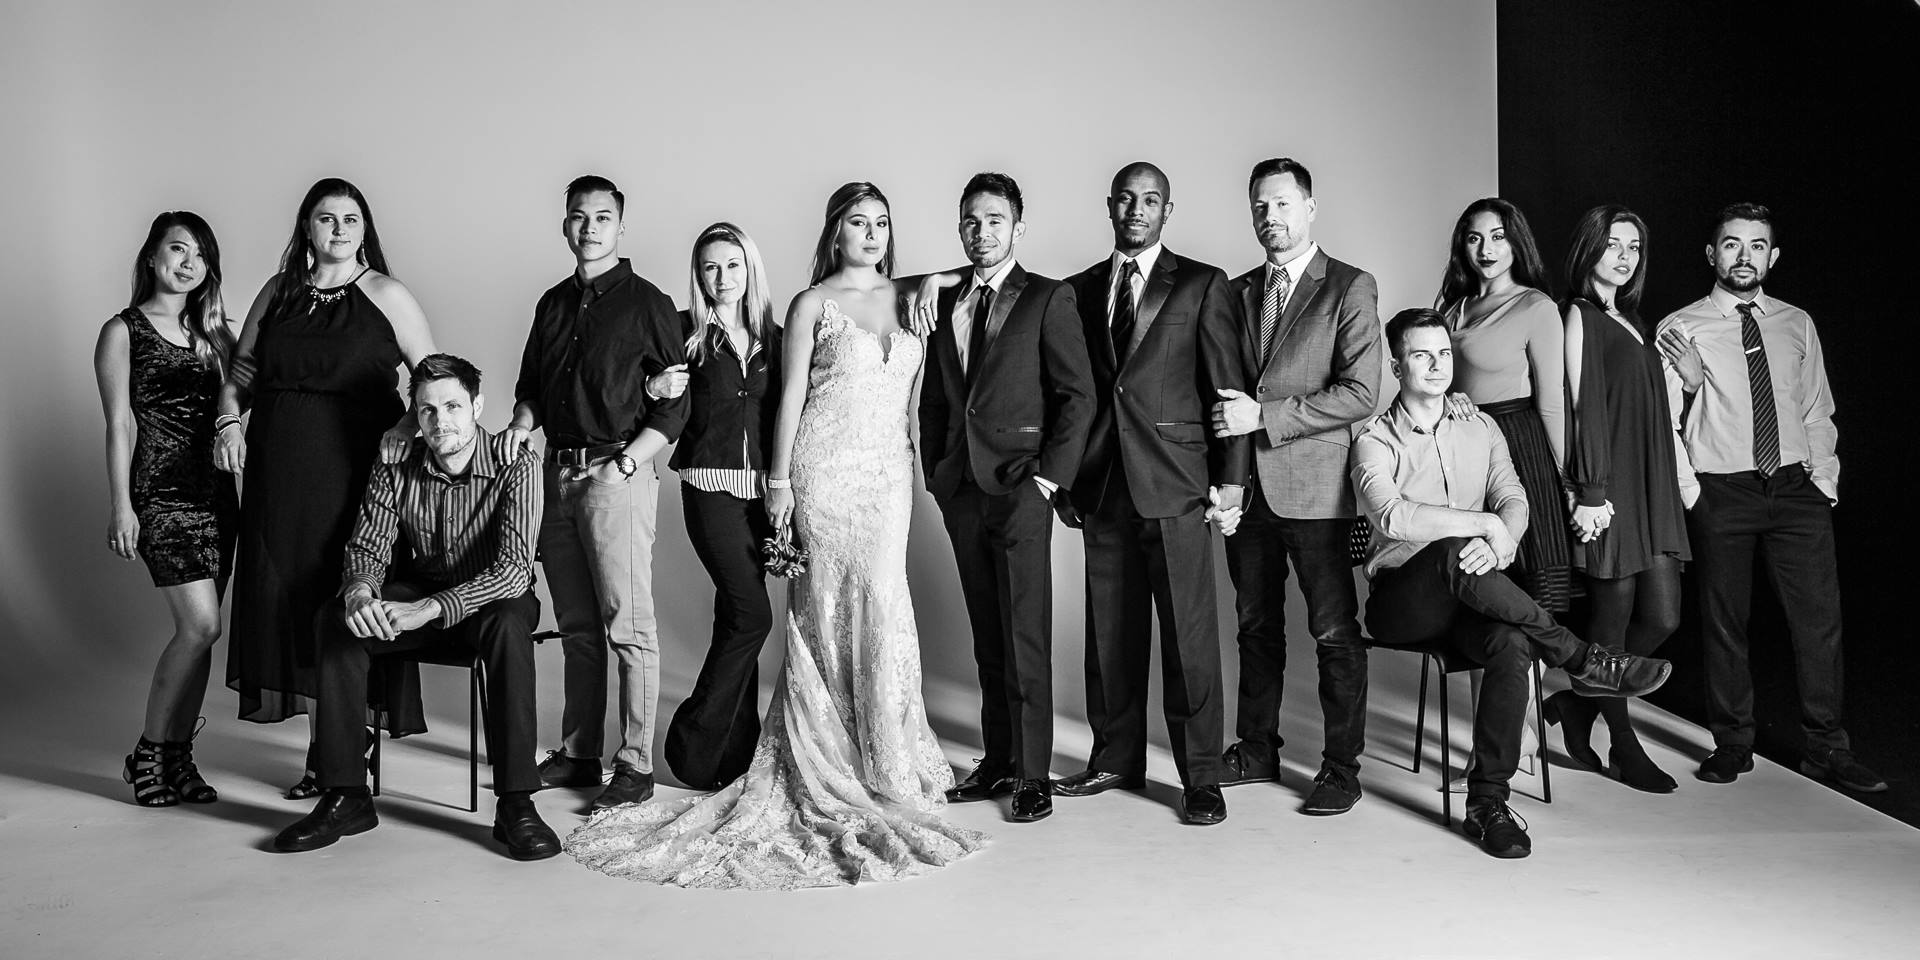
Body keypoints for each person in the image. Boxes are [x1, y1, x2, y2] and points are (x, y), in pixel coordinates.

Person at [563, 182, 985, 888]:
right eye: (858, 222)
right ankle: (747, 747)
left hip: (885, 476)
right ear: (835, 231)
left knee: (877, 604)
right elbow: (788, 399)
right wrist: (780, 480)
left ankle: (873, 751)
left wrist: (941, 278)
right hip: (801, 474)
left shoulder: (906, 295)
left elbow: (986, 266)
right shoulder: (796, 307)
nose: (872, 234)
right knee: (791, 611)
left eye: (882, 223)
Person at [1352, 308, 1675, 858]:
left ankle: (1488, 802)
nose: (1437, 365)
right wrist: (1483, 526)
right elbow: (1393, 517)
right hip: (1403, 603)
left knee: (1512, 643)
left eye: (1444, 353)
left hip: (1472, 600)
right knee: (1451, 550)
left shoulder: (1480, 426)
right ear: (1396, 366)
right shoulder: (1374, 439)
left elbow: (1514, 497)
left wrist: (1505, 539)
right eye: (1421, 355)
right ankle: (1581, 657)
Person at [273, 354, 560, 860]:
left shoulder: (516, 462)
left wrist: (427, 609)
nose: (440, 420)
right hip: (422, 593)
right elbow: (368, 547)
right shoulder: (396, 463)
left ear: (477, 406)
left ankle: (517, 803)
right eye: (427, 410)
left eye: (453, 406)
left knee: (509, 623)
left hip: (491, 600)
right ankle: (346, 794)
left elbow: (514, 570)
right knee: (337, 620)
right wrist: (361, 591)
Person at [217, 178, 437, 797]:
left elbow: (434, 381)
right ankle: (330, 748)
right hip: (277, 478)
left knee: (337, 599)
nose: (338, 229)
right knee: (292, 604)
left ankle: (338, 748)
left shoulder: (387, 294)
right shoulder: (279, 291)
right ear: (306, 229)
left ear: (364, 229)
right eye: (325, 218)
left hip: (354, 476)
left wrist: (405, 426)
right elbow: (242, 372)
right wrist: (228, 421)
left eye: (349, 219)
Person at [1655, 203, 1885, 793]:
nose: (1744, 256)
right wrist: (1692, 492)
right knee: (1725, 621)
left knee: (1819, 621)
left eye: (1756, 246)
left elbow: (1816, 407)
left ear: (1772, 257)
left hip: (1794, 488)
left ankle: (1826, 747)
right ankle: (1733, 742)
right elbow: (1665, 422)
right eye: (1732, 244)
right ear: (1712, 254)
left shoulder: (1796, 323)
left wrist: (1822, 480)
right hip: (1722, 489)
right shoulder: (1681, 326)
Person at [1053, 162, 1250, 826]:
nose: (1137, 209)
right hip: (1102, 484)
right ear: (1109, 206)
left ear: (1168, 210)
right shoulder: (1078, 290)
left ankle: (1202, 777)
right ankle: (1115, 757)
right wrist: (1065, 477)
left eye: (1151, 199)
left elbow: (1227, 389)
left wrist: (1232, 481)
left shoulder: (1200, 284)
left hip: (1179, 484)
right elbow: (1073, 393)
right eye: (1126, 199)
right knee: (1109, 632)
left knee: (1189, 638)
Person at [918, 173, 1095, 823]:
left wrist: (1048, 480)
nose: (981, 231)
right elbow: (936, 399)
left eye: (995, 220)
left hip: (1022, 487)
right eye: (971, 220)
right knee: (987, 633)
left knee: (1025, 634)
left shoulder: (1049, 297)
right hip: (961, 488)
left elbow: (1077, 396)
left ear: (1018, 227)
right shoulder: (943, 301)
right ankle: (997, 761)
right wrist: (937, 475)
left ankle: (1032, 775)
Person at [508, 175, 689, 809]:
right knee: (577, 626)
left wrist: (628, 465)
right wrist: (522, 427)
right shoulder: (552, 304)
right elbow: (530, 389)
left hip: (616, 474)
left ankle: (635, 765)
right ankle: (580, 754)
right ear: (566, 225)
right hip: (554, 477)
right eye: (579, 217)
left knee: (627, 625)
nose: (590, 228)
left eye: (602, 217)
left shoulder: (649, 303)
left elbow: (675, 403)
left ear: (620, 226)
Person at [1209, 157, 1380, 815]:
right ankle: (1257, 750)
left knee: (1334, 631)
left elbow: (1360, 393)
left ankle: (1341, 769)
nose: (1270, 216)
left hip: (1317, 491)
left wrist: (1266, 417)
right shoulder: (1237, 291)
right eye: (1260, 205)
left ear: (1310, 207)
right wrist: (1224, 483)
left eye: (1282, 203)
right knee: (1255, 627)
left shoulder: (1349, 285)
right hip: (1247, 491)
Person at [1547, 205, 1693, 793]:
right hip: (1609, 490)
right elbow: (1582, 407)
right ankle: (1625, 747)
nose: (1625, 256)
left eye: (1634, 247)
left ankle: (1578, 700)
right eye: (1613, 244)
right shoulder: (1579, 315)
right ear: (1589, 249)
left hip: (1651, 485)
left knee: (1663, 616)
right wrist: (1590, 490)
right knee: (1611, 626)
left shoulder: (1630, 318)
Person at [95, 212, 239, 807]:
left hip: (219, 498)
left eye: (200, 255)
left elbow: (242, 401)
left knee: (206, 637)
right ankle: (148, 752)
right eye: (179, 250)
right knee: (199, 626)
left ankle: (179, 757)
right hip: (161, 495)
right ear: (152, 256)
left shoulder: (215, 333)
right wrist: (122, 506)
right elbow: (119, 424)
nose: (189, 263)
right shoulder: (123, 330)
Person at [655, 222, 782, 790]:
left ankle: (734, 754)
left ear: (749, 269)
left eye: (733, 265)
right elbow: (648, 392)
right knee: (753, 614)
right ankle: (692, 741)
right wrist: (654, 388)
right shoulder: (682, 333)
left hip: (765, 493)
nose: (722, 277)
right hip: (708, 489)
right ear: (698, 275)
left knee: (735, 615)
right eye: (710, 267)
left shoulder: (775, 338)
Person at [1434, 198, 1570, 611]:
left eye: (1498, 237)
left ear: (1516, 243)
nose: (1486, 249)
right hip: (1462, 445)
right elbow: (1431, 380)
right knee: (1476, 580)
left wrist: (1567, 479)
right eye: (1474, 239)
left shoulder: (1536, 306)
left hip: (1519, 443)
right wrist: (1447, 400)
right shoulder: (1451, 309)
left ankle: (1538, 655)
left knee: (1534, 582)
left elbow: (1552, 403)